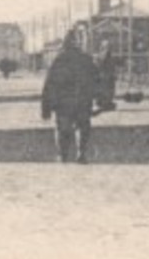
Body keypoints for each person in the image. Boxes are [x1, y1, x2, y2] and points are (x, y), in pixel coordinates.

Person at [41, 33, 103, 164]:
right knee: (82, 126)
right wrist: (99, 99)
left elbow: (50, 84)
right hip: (83, 100)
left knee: (62, 128)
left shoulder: (59, 60)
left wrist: (46, 106)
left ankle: (63, 155)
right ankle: (81, 153)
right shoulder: (86, 59)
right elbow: (96, 80)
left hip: (63, 103)